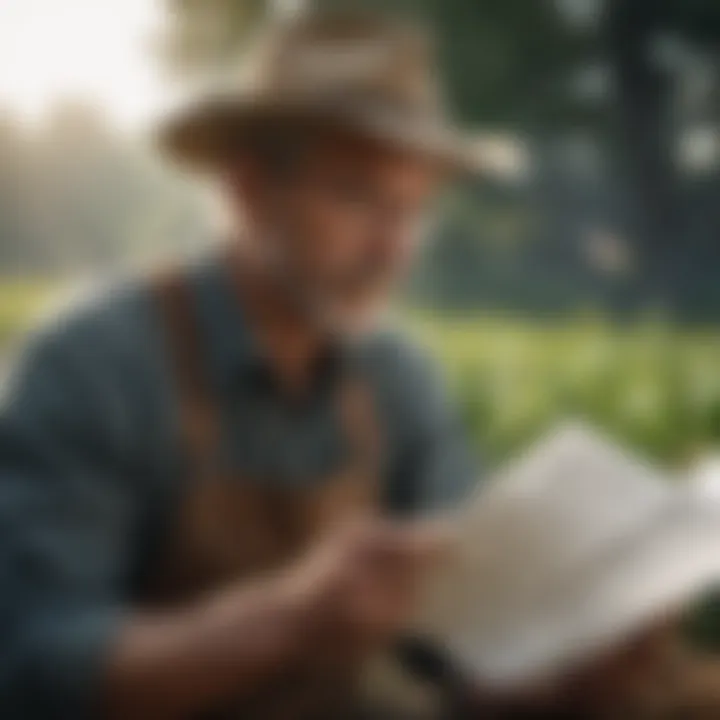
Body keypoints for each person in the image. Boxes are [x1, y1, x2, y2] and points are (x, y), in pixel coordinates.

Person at [0, 9, 480, 719]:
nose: (392, 248)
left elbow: (464, 637)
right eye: (358, 196)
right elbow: (40, 661)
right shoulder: (94, 365)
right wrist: (286, 620)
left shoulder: (399, 379)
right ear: (247, 190)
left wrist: (571, 646)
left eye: (412, 210)